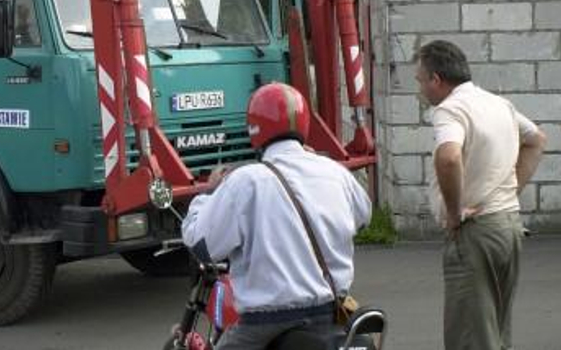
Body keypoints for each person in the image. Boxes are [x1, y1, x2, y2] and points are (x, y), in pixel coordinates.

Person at [181, 82, 372, 350]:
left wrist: (207, 196)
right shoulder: (334, 172)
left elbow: (202, 245)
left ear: (254, 128)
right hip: (331, 313)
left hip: (266, 323)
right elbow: (364, 217)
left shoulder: (245, 182)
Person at [415, 40, 546, 350]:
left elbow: (448, 157)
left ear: (437, 79)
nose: (420, 89)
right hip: (507, 226)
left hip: (475, 233)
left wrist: (454, 212)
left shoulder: (450, 109)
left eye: (420, 80)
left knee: (470, 338)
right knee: (495, 333)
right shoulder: (498, 104)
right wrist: (510, 190)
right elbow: (537, 140)